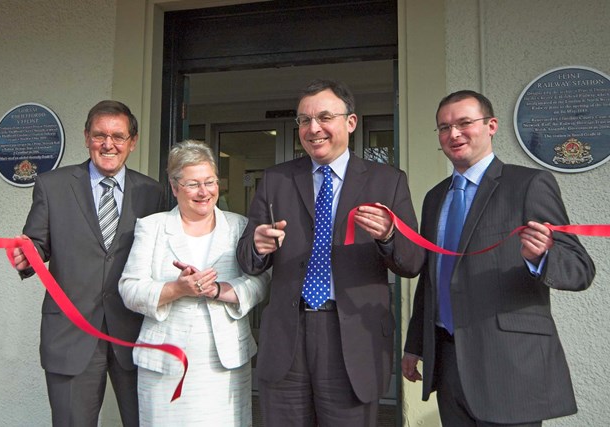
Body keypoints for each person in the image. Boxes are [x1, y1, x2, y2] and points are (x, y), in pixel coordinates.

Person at [236, 79, 425, 426]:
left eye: (324, 117)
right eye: (304, 120)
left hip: (352, 340)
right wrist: (256, 245)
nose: (313, 128)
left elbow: (412, 262)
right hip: (287, 339)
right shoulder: (277, 179)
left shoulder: (388, 180)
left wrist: (388, 235)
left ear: (350, 122)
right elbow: (248, 260)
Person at [402, 90, 596, 426]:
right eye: (444, 128)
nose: (454, 134)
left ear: (491, 125)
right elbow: (432, 277)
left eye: (464, 123)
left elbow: (580, 268)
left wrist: (541, 256)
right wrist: (415, 344)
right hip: (448, 362)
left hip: (509, 366)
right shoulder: (435, 198)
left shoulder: (529, 184)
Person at [10, 100, 165, 426]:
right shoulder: (52, 186)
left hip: (135, 334)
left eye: (118, 136)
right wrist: (26, 258)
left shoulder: (153, 193)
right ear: (86, 137)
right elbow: (36, 245)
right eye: (100, 135)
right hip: (70, 333)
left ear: (132, 142)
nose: (108, 144)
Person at [119, 140, 269, 426]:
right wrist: (177, 289)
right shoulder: (152, 227)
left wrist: (219, 290)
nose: (204, 192)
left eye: (210, 182)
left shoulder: (239, 226)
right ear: (175, 188)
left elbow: (261, 280)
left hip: (224, 362)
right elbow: (129, 288)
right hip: (165, 363)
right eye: (193, 184)